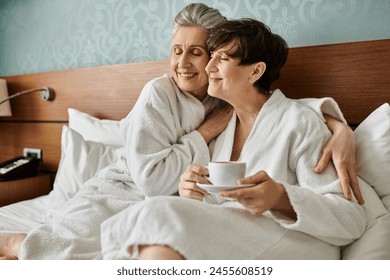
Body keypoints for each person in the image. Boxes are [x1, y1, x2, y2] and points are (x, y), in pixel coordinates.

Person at [0, 4, 360, 260]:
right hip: (128, 186)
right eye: (177, 51)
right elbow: (164, 184)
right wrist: (196, 157)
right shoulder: (171, 99)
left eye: (206, 55)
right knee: (70, 249)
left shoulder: (246, 111)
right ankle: (18, 244)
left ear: (253, 71)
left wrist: (337, 125)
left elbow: (286, 112)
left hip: (204, 217)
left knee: (149, 224)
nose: (187, 64)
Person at [99, 18, 367, 260]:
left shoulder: (299, 123)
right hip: (237, 234)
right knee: (159, 215)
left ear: (255, 71)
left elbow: (351, 219)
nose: (210, 66)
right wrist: (190, 191)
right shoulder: (223, 125)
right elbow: (217, 203)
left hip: (292, 241)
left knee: (160, 213)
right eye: (211, 55)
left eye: (222, 59)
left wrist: (280, 198)